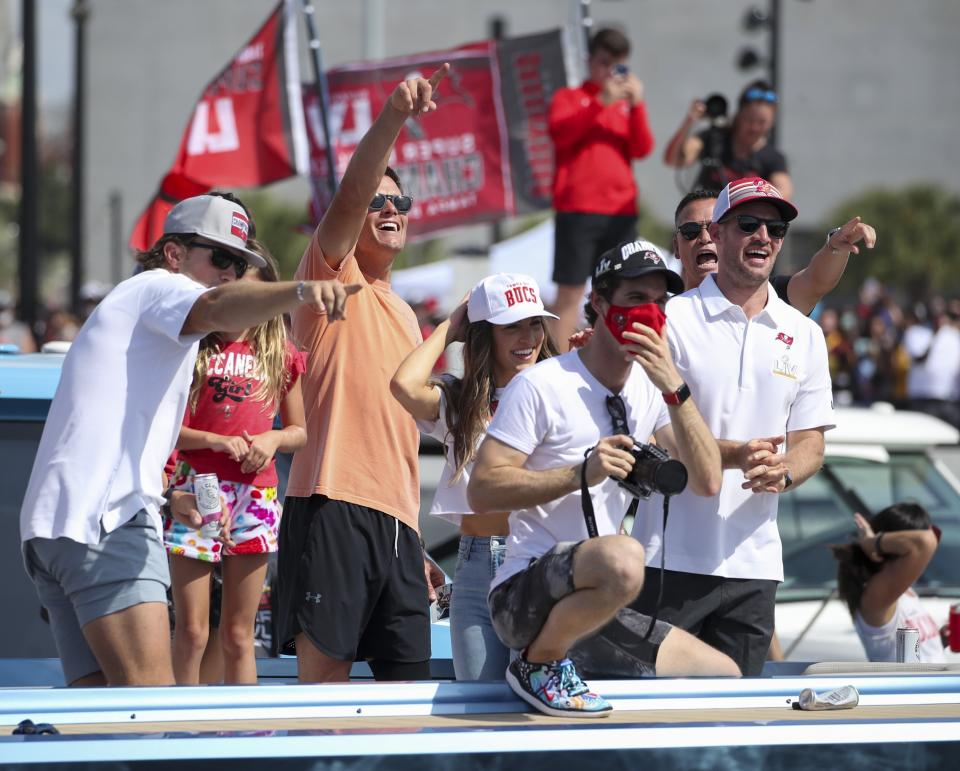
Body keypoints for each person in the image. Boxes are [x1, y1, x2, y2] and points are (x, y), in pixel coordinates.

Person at [19, 193, 359, 687]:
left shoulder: (143, 318)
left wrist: (166, 496)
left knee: (100, 731)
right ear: (174, 254)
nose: (231, 273)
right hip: (104, 524)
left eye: (240, 263)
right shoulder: (160, 287)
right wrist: (302, 291)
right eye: (220, 258)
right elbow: (218, 305)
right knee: (151, 719)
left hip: (54, 529)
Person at [468, 241, 739, 718]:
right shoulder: (542, 385)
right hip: (524, 597)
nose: (648, 314)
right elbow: (482, 489)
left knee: (723, 677)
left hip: (596, 604)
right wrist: (580, 474)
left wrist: (674, 387)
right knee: (625, 555)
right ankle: (538, 665)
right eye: (635, 299)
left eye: (658, 302)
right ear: (598, 303)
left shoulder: (649, 390)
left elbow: (708, 481)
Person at [277, 64, 451, 684]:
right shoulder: (331, 280)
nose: (389, 208)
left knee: (408, 704)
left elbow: (398, 438)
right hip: (330, 509)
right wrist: (395, 117)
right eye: (378, 200)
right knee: (322, 700)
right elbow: (350, 195)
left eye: (400, 201)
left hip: (399, 526)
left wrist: (412, 536)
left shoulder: (406, 314)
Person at [630, 178, 835, 676]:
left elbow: (811, 442)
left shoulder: (804, 334)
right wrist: (735, 454)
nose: (763, 236)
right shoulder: (671, 319)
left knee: (734, 729)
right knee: (655, 724)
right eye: (748, 224)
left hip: (754, 567)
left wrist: (786, 471)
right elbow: (656, 433)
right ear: (716, 235)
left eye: (776, 227)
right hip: (667, 558)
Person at [391, 274, 559, 681]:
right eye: (512, 325)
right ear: (484, 335)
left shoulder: (561, 389)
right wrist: (451, 326)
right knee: (478, 705)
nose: (528, 336)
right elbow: (403, 384)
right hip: (474, 564)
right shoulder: (460, 400)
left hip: (538, 559)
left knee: (535, 702)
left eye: (534, 322)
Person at [164, 241, 307, 685]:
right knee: (191, 631)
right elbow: (166, 430)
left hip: (257, 493)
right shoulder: (193, 349)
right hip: (198, 486)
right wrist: (218, 441)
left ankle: (246, 738)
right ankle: (174, 733)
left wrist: (272, 437)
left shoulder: (279, 354)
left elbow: (299, 432)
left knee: (239, 634)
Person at [547, 27, 654, 349]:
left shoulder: (626, 105)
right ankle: (555, 364)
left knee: (622, 289)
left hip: (620, 212)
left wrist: (636, 105)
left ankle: (619, 356)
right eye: (604, 63)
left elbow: (642, 148)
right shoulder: (569, 98)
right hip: (577, 209)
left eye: (618, 66)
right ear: (589, 61)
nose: (610, 72)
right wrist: (601, 102)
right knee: (570, 293)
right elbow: (561, 134)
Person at [671, 188, 877, 315]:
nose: (705, 238)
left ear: (719, 234)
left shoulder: (771, 301)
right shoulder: (665, 314)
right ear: (676, 248)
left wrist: (835, 247)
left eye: (775, 228)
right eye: (691, 231)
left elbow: (815, 282)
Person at [832, 506, 945, 662]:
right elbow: (925, 541)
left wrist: (940, 640)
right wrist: (871, 543)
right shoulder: (875, 598)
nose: (927, 557)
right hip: (910, 687)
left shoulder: (903, 591)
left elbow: (912, 657)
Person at [664, 80, 792, 200]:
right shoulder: (713, 139)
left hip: (746, 221)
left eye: (762, 122)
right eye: (749, 120)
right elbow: (673, 160)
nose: (755, 127)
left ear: (772, 122)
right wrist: (690, 120)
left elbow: (784, 193)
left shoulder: (773, 158)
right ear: (739, 114)